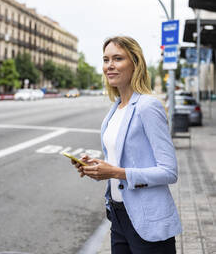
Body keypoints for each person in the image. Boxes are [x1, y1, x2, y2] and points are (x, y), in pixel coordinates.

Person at [72, 36, 182, 254]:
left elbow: (169, 172)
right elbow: (122, 158)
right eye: (105, 59)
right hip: (118, 215)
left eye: (117, 58)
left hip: (148, 221)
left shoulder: (147, 106)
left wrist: (115, 172)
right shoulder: (116, 108)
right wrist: (97, 166)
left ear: (135, 63)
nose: (109, 65)